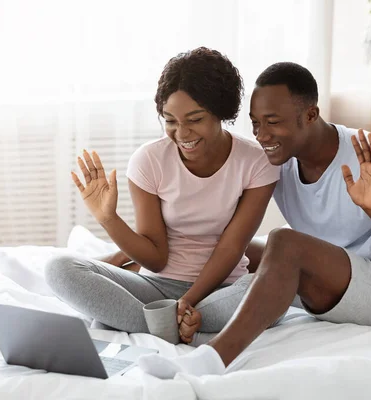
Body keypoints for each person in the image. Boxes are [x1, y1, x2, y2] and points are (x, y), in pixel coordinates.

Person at [138, 61, 371, 378]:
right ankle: (187, 314)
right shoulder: (278, 162)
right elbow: (217, 236)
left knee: (284, 242)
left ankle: (211, 359)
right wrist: (120, 256)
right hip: (334, 278)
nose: (262, 136)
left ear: (310, 115)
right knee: (234, 248)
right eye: (255, 123)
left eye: (273, 122)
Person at [44, 47, 281, 344]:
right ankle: (169, 325)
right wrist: (108, 218)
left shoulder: (256, 162)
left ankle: (152, 322)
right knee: (59, 268)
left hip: (223, 290)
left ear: (221, 111)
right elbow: (155, 258)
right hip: (156, 288)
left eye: (194, 119)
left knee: (275, 289)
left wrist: (189, 302)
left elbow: (231, 248)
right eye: (170, 121)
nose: (182, 133)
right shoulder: (149, 160)